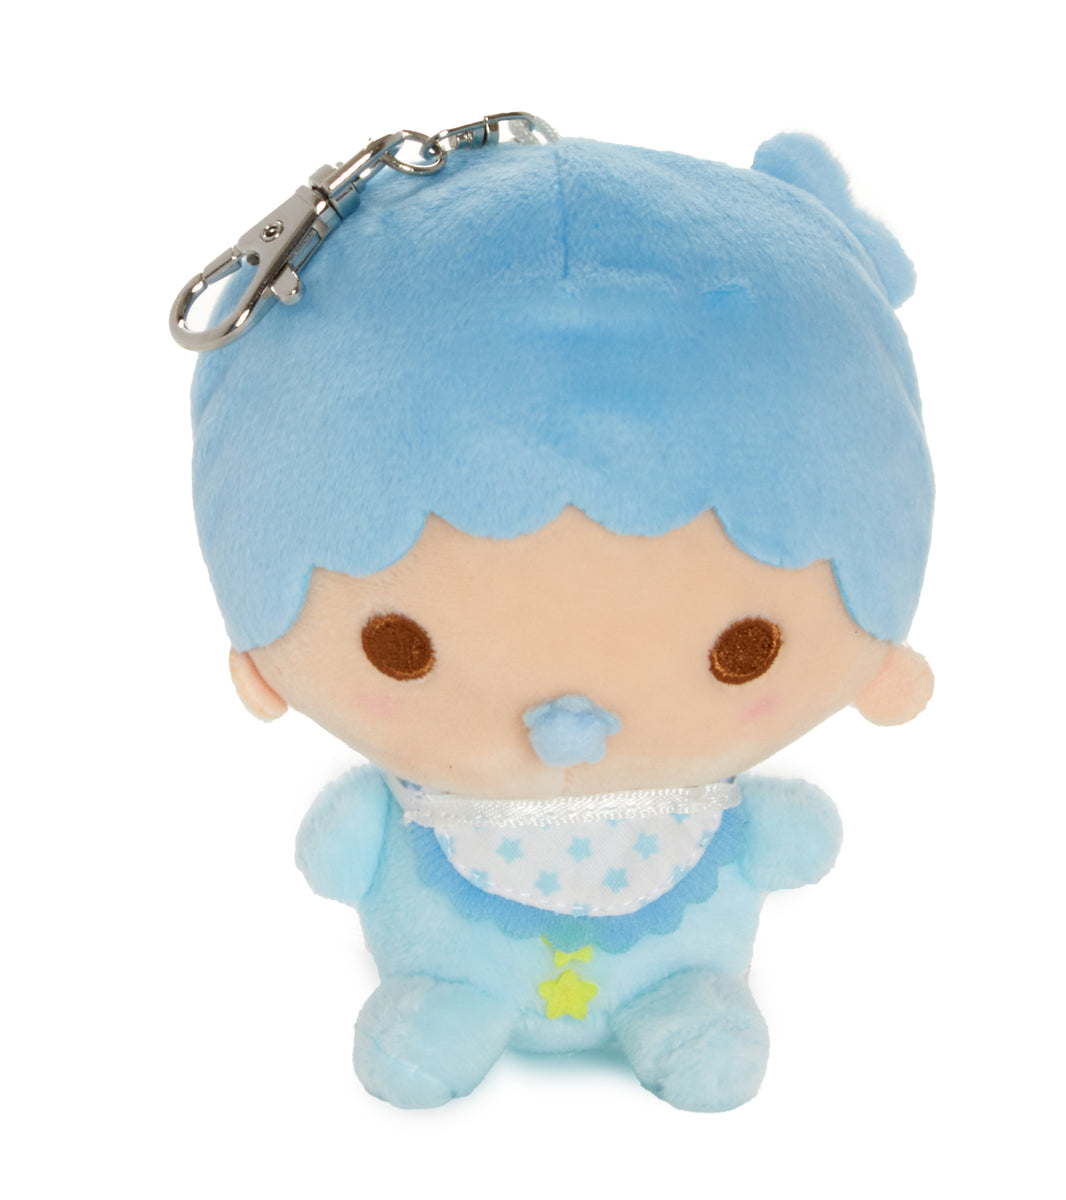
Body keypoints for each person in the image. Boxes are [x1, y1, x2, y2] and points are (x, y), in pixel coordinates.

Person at [190, 131, 934, 1111]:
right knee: (444, 1007)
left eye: (741, 651)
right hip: (454, 954)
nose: (568, 726)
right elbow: (338, 850)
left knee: (689, 1008)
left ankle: (682, 1004)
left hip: (679, 954)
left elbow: (800, 838)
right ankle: (453, 997)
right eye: (400, 647)